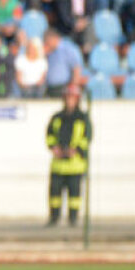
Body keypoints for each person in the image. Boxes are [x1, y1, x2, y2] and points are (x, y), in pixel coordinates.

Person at [44, 85, 90, 226]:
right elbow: (49, 135)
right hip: (58, 164)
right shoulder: (57, 117)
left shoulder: (83, 118)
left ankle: (73, 218)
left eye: (72, 98)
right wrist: (54, 147)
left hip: (75, 165)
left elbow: (87, 138)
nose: (70, 101)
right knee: (55, 194)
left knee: (74, 195)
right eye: (68, 98)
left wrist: (76, 150)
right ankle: (54, 218)